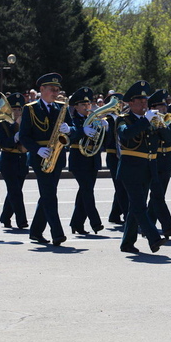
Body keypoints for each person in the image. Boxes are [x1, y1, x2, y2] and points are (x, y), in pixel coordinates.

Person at [19, 73, 74, 246]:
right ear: (42, 90)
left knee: (47, 194)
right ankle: (57, 233)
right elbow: (24, 136)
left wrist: (70, 129)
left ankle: (35, 231)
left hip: (58, 155)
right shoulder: (30, 108)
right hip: (40, 156)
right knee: (50, 195)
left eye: (57, 90)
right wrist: (37, 149)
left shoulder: (61, 107)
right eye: (52, 89)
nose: (55, 93)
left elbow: (74, 130)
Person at [116, 81, 167, 254]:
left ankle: (127, 243)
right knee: (139, 206)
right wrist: (146, 120)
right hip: (130, 169)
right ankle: (154, 237)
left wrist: (163, 124)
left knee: (135, 207)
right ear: (130, 103)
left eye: (145, 99)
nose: (144, 103)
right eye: (140, 100)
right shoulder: (123, 120)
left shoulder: (151, 120)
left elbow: (168, 139)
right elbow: (126, 134)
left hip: (148, 168)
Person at [147, 89, 171, 237]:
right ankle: (167, 227)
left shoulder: (169, 119)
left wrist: (169, 122)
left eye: (164, 106)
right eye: (159, 107)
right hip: (154, 159)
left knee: (158, 194)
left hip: (167, 158)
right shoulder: (150, 121)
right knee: (157, 195)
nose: (163, 109)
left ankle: (148, 225)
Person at [68, 87, 106, 235]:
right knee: (87, 191)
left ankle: (76, 224)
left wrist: (106, 129)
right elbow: (69, 137)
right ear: (76, 106)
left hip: (93, 158)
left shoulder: (95, 119)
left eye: (88, 104)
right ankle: (95, 223)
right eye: (83, 105)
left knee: (84, 192)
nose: (86, 107)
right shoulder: (72, 120)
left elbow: (103, 141)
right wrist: (82, 131)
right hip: (78, 159)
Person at [0, 92, 29, 229]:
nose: (16, 112)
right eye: (14, 109)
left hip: (22, 159)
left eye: (19, 109)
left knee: (14, 191)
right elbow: (2, 143)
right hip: (8, 160)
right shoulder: (2, 124)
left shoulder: (26, 123)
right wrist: (15, 137)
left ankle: (5, 217)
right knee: (16, 192)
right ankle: (22, 221)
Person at [102, 92, 127, 225]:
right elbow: (106, 141)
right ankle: (128, 214)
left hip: (123, 154)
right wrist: (106, 127)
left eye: (121, 103)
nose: (120, 105)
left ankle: (115, 214)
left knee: (122, 185)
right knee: (120, 186)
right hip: (113, 155)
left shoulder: (122, 117)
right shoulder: (108, 119)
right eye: (117, 103)